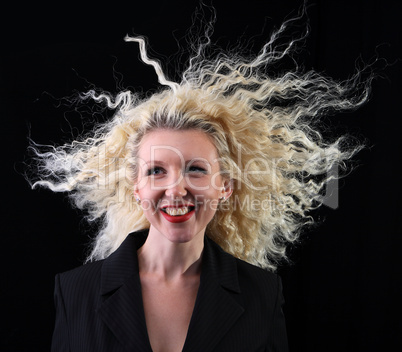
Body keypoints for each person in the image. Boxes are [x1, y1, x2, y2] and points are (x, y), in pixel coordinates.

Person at [29, 11, 371, 352]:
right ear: (136, 188)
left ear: (226, 187)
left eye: (195, 169)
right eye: (156, 171)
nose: (176, 189)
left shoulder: (262, 296)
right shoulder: (75, 292)